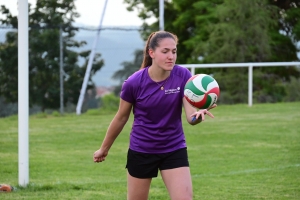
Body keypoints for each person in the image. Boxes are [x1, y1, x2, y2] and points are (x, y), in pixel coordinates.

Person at [93, 30, 217, 200]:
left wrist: (198, 115)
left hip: (174, 148)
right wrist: (104, 149)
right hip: (142, 150)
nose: (171, 56)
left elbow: (190, 117)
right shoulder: (133, 83)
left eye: (174, 51)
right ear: (151, 53)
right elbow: (121, 117)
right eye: (165, 52)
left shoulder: (183, 76)